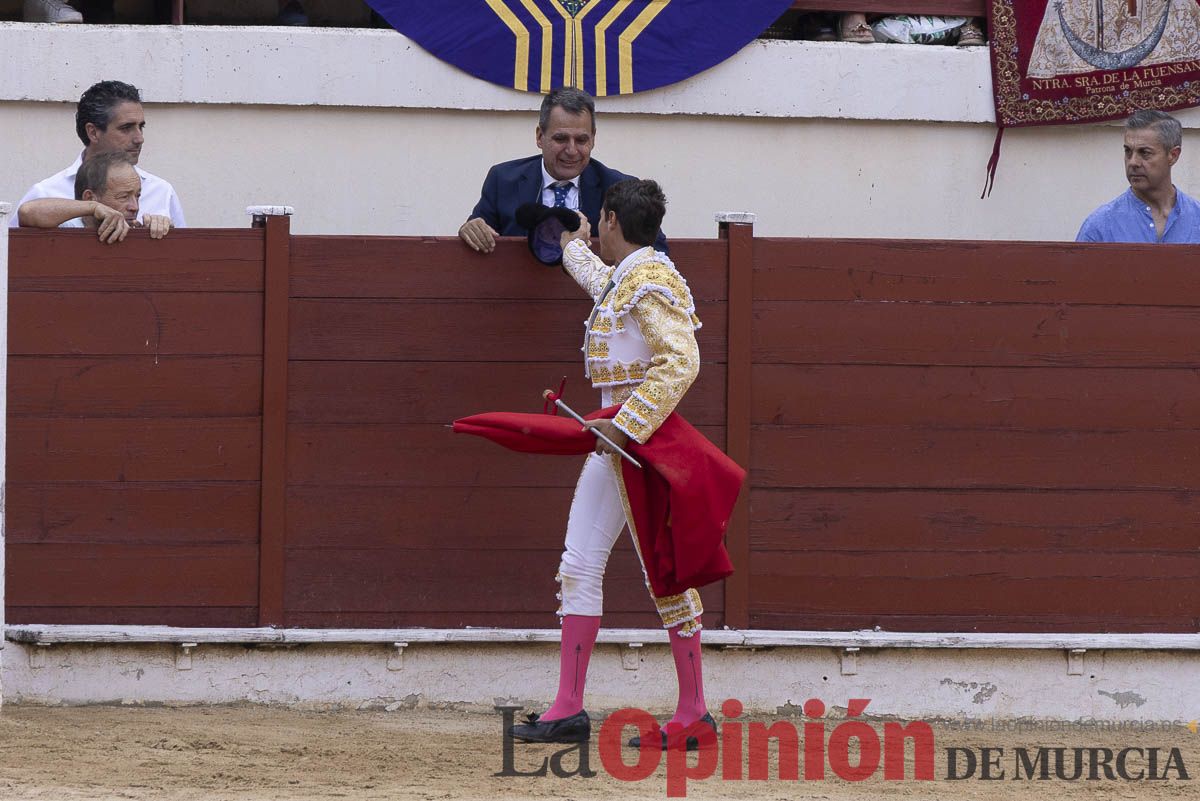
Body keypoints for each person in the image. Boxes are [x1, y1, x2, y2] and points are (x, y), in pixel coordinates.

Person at [508, 179, 713, 749]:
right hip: (615, 444)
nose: (597, 227)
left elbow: (680, 362)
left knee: (664, 576)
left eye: (599, 220)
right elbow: (603, 286)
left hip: (639, 445)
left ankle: (695, 711)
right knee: (579, 564)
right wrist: (570, 243)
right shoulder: (631, 277)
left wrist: (624, 424)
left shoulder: (648, 281)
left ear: (615, 220)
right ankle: (568, 707)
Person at [459, 86, 666, 254]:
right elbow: (479, 235)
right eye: (561, 139)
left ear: (593, 138)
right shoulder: (503, 180)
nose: (571, 150)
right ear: (540, 136)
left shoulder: (619, 189)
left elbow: (658, 254)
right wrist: (470, 230)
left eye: (581, 140)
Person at [11, 80, 186, 229]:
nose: (139, 138)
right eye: (126, 128)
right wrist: (90, 208)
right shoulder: (47, 193)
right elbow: (8, 255)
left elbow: (183, 260)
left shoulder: (161, 191)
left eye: (141, 127)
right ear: (93, 132)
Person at [1076, 110, 1200, 244]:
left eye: (1145, 153)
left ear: (1173, 155)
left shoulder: (1196, 219)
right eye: (1128, 151)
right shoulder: (1099, 227)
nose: (1133, 162)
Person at [18, 151, 172, 243]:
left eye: (137, 196)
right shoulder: (69, 228)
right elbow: (26, 212)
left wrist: (160, 232)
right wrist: (93, 208)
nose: (135, 207)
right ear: (90, 197)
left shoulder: (137, 230)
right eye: (123, 197)